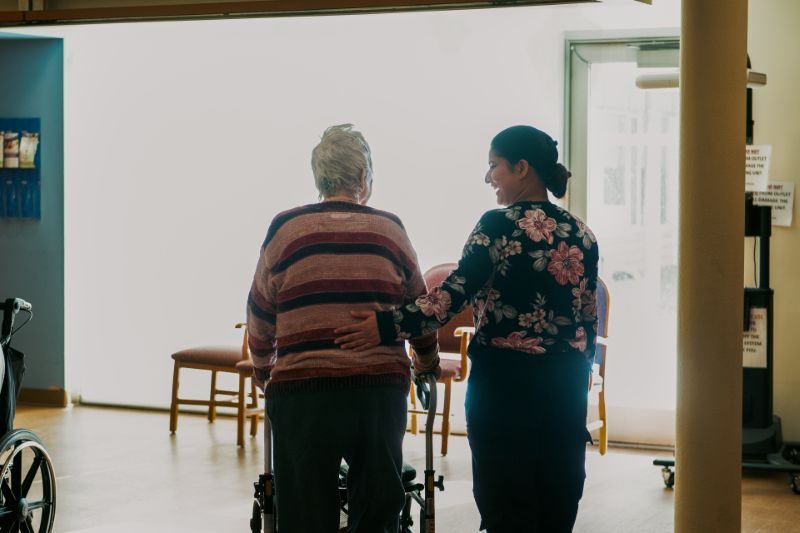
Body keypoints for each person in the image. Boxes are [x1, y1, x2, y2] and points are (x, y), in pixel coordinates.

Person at [335, 125, 599, 533]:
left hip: (504, 386)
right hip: (564, 388)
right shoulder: (582, 234)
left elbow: (449, 298)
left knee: (506, 503)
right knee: (557, 500)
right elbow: (587, 318)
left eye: (494, 166)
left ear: (522, 168)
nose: (488, 177)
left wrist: (385, 325)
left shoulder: (496, 225)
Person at [246, 124, 440, 533]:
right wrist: (426, 361)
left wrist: (265, 372)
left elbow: (260, 313)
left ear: (319, 179)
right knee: (375, 508)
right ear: (364, 179)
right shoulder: (391, 230)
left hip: (302, 392)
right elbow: (420, 310)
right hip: (376, 390)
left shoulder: (285, 230)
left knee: (302, 512)